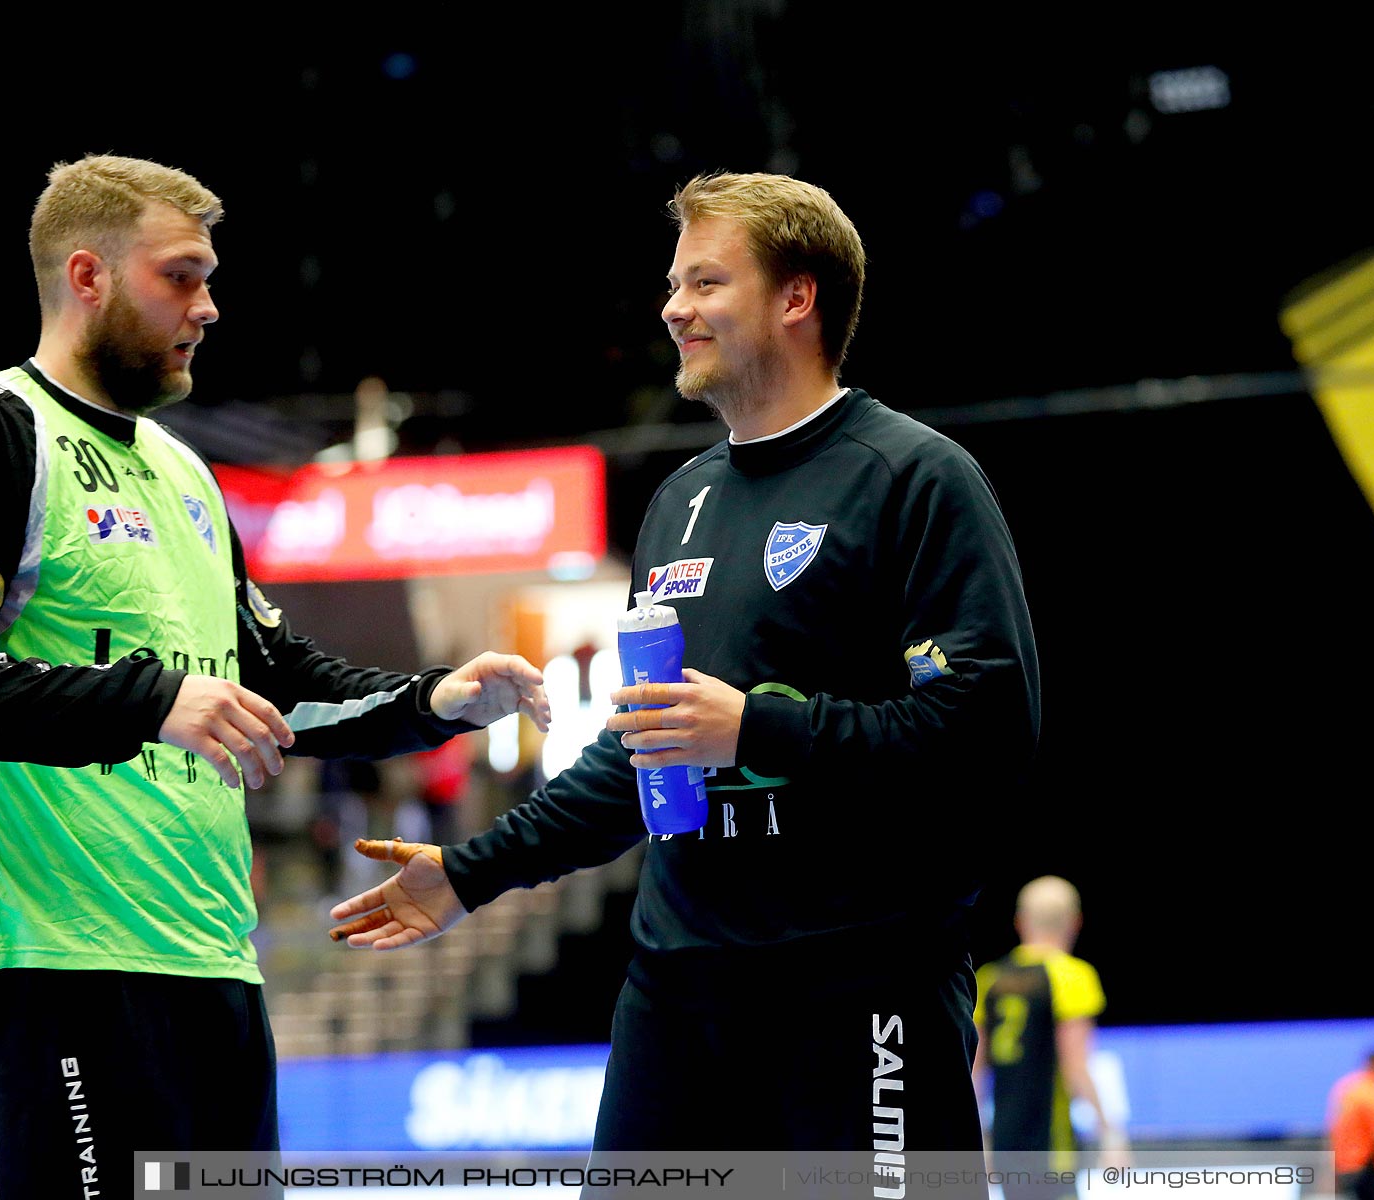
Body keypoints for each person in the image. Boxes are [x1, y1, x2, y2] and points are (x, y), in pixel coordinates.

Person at [0, 155, 552, 1199]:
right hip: (60, 969)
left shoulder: (186, 474)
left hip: (214, 969)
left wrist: (433, 701)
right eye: (182, 277)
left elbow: (268, 680)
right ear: (88, 275)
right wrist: (150, 699)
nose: (210, 305)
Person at [331, 172, 1041, 1156]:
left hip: (863, 985)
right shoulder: (680, 503)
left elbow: (982, 728)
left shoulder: (915, 479)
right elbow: (644, 752)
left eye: (706, 283)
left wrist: (756, 728)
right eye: (675, 284)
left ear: (798, 298)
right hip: (679, 990)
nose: (674, 308)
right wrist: (471, 873)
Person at [973, 876, 1124, 1183]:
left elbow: (974, 1076)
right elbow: (1075, 1068)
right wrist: (1111, 1136)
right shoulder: (1072, 977)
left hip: (1004, 1141)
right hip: (1051, 1144)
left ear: (1020, 922)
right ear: (1075, 922)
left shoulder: (988, 979)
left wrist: (980, 1143)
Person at [1328, 1049, 1374, 1200]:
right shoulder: (1372, 1091)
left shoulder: (1346, 1088)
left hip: (1344, 1165)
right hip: (1364, 1165)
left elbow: (1333, 1129)